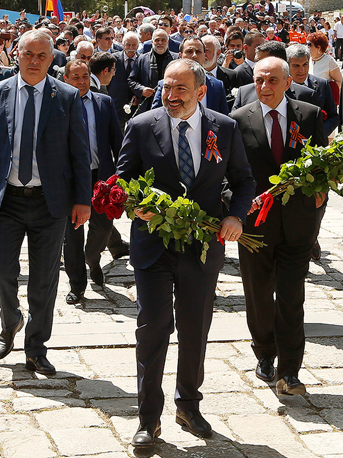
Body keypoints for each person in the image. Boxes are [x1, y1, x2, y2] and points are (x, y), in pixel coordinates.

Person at [117, 58, 255, 447]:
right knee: (153, 327)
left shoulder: (224, 128)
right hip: (153, 247)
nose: (171, 95)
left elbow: (244, 180)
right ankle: (148, 419)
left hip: (202, 247)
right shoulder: (142, 125)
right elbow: (122, 180)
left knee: (195, 327)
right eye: (166, 86)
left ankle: (189, 406)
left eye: (181, 88)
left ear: (201, 91)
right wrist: (135, 205)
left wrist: (236, 216)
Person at [0, 30, 91, 375]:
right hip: (6, 200)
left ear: (51, 59)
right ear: (16, 54)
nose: (34, 61)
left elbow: (79, 152)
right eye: (28, 54)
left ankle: (36, 347)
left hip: (50, 202)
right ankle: (11, 320)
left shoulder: (66, 96)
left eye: (42, 56)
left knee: (44, 280)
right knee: (1, 273)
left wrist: (83, 199)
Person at [232, 56, 327, 396]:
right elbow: (231, 173)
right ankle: (264, 351)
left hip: (298, 225)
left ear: (288, 82)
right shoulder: (237, 120)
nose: (264, 87)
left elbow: (323, 168)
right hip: (255, 227)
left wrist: (319, 198)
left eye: (272, 80)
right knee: (258, 295)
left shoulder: (310, 115)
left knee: (291, 296)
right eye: (259, 80)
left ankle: (290, 370)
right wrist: (236, 206)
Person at [62, 58, 124, 304]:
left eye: (85, 76)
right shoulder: (58, 104)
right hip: (70, 179)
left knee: (103, 227)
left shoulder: (104, 102)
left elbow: (117, 141)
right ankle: (77, 284)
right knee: (72, 234)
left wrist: (122, 174)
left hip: (101, 177)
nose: (81, 81)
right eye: (75, 77)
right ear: (65, 79)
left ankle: (92, 258)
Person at [150, 37, 229, 115]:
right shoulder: (164, 85)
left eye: (198, 52)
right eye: (189, 51)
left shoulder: (217, 86)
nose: (194, 55)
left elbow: (223, 118)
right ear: (180, 56)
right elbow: (156, 116)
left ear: (204, 55)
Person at [231, 41, 316, 111]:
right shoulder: (244, 94)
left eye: (260, 61)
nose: (254, 66)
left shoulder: (305, 96)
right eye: (255, 61)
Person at [287, 43, 339, 136]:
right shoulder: (283, 87)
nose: (302, 70)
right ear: (288, 65)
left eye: (305, 64)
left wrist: (319, 133)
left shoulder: (322, 84)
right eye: (296, 66)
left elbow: (333, 117)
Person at [128, 29, 178, 115]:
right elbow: (131, 81)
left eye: (163, 40)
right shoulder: (141, 59)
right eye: (157, 40)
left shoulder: (176, 59)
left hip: (172, 103)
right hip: (147, 105)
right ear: (152, 42)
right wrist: (142, 90)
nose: (160, 43)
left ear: (168, 42)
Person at [108, 31, 140, 128]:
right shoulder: (113, 59)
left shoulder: (142, 60)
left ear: (138, 46)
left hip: (136, 106)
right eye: (128, 45)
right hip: (117, 105)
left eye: (134, 45)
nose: (131, 48)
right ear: (122, 45)